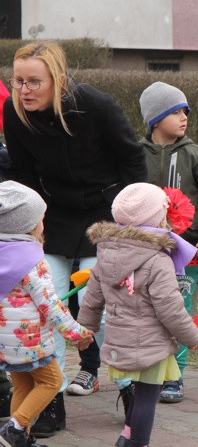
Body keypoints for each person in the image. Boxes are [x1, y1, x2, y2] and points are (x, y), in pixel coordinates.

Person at [3, 41, 147, 436]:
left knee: (97, 301)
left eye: (34, 82)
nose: (24, 90)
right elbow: (22, 174)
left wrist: (132, 218)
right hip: (52, 218)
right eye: (18, 81)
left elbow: (133, 159)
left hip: (105, 214)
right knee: (42, 306)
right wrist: (31, 226)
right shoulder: (15, 113)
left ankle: (130, 387)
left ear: (59, 80)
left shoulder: (96, 106)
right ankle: (50, 400)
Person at [77, 183, 198, 447]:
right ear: (158, 217)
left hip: (119, 339)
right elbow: (170, 307)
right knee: (147, 396)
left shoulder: (107, 252)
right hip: (151, 342)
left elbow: (92, 299)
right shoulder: (157, 259)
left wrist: (84, 330)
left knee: (139, 393)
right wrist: (191, 337)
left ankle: (127, 438)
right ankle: (138, 442)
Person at [139, 82, 198, 403]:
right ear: (154, 119)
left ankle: (175, 377)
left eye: (185, 111)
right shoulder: (136, 155)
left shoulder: (195, 155)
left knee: (178, 310)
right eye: (175, 112)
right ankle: (148, 372)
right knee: (146, 311)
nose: (184, 117)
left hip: (185, 251)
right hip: (145, 250)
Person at [0, 181, 94, 447]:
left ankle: (20, 439)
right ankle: (14, 429)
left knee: (23, 386)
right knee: (52, 382)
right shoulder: (32, 260)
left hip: (5, 342)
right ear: (28, 224)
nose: (44, 223)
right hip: (30, 341)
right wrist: (76, 333)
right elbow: (50, 305)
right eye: (42, 218)